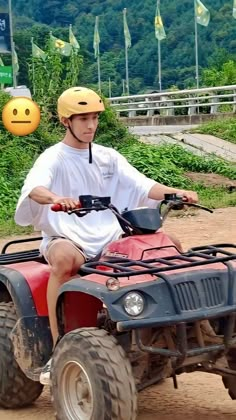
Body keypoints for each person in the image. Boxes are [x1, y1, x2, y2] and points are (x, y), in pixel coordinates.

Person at [15, 86, 198, 385]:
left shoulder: (108, 157)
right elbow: (35, 188)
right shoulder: (53, 157)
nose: (90, 125)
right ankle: (58, 345)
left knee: (169, 245)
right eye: (83, 118)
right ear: (66, 121)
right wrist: (56, 198)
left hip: (111, 234)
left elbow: (143, 186)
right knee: (62, 260)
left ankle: (164, 326)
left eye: (95, 118)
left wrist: (176, 192)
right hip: (68, 235)